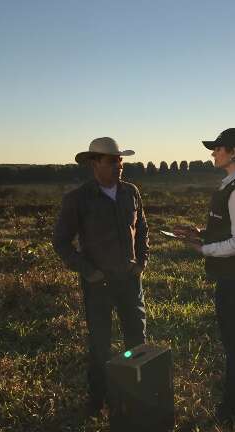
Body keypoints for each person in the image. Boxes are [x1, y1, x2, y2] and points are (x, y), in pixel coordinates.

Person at [53, 137, 149, 417]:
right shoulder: (77, 199)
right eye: (112, 161)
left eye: (120, 160)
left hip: (130, 281)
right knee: (100, 345)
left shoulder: (131, 192)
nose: (119, 166)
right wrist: (88, 271)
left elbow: (142, 229)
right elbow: (61, 242)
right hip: (98, 285)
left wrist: (141, 261)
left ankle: (137, 396)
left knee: (136, 341)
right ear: (94, 163)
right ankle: (98, 401)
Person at [174, 128, 235, 423]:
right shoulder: (232, 186)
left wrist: (204, 249)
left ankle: (230, 409)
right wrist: (199, 233)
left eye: (218, 148)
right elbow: (229, 229)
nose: (213, 153)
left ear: (233, 153)